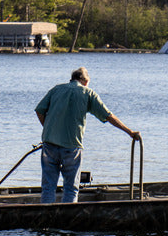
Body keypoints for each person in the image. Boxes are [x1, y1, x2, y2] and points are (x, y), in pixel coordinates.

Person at [35, 66, 140, 203]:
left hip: (50, 144)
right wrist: (130, 132)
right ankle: (67, 221)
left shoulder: (57, 89)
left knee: (48, 187)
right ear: (85, 80)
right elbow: (108, 116)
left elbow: (39, 110)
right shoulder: (88, 93)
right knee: (71, 188)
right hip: (71, 146)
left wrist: (50, 128)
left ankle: (44, 221)